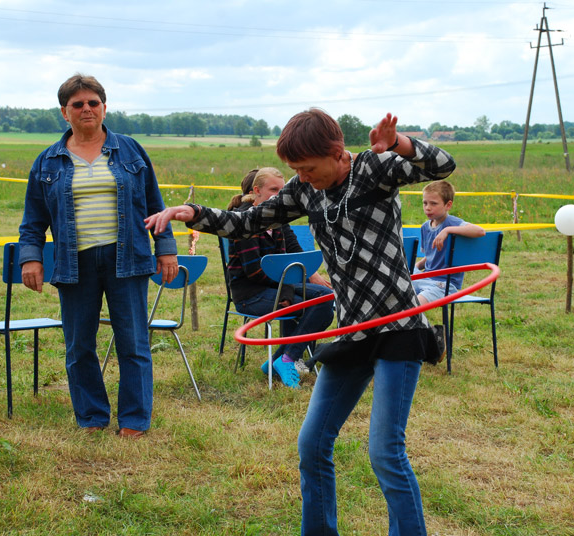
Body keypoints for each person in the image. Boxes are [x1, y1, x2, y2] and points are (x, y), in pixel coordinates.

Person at [146, 108, 454, 534]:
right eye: (296, 171)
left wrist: (398, 143)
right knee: (312, 444)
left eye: (308, 168)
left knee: (385, 451)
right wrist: (193, 213)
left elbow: (442, 165)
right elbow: (248, 222)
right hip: (353, 330)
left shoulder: (372, 168)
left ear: (336, 152)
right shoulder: (305, 191)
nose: (303, 177)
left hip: (398, 327)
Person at [18, 73, 178, 439]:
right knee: (78, 346)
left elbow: (156, 206)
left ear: (104, 108)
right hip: (75, 263)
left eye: (93, 102)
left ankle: (135, 421)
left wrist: (165, 250)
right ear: (65, 113)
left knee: (134, 343)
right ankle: (91, 417)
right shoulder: (47, 162)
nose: (86, 109)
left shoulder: (131, 151)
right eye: (78, 104)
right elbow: (33, 221)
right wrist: (32, 258)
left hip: (129, 259)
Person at [225, 167, 334, 388]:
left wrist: (304, 279)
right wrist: (287, 288)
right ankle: (288, 359)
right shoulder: (245, 223)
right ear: (256, 191)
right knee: (308, 305)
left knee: (325, 297)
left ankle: (280, 360)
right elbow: (254, 271)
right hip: (250, 294)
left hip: (276, 286)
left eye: (282, 190)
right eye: (274, 190)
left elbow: (289, 256)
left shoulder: (277, 221)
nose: (279, 195)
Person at [412, 180, 486, 305]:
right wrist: (416, 267)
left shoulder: (452, 223)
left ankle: (419, 324)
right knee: (397, 290)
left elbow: (480, 231)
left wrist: (448, 230)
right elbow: (431, 256)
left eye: (433, 204)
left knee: (415, 305)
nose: (428, 208)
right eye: (425, 203)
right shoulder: (425, 227)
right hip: (426, 278)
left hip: (445, 285)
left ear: (448, 205)